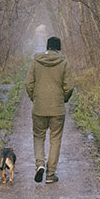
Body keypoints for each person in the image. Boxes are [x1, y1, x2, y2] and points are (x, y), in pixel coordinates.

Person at [25, 36, 74, 183]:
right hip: (57, 109)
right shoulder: (63, 63)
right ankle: (51, 174)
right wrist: (63, 99)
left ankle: (40, 164)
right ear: (58, 48)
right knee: (55, 139)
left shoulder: (36, 62)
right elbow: (69, 86)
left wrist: (35, 98)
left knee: (39, 137)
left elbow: (28, 84)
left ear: (47, 47)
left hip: (39, 107)